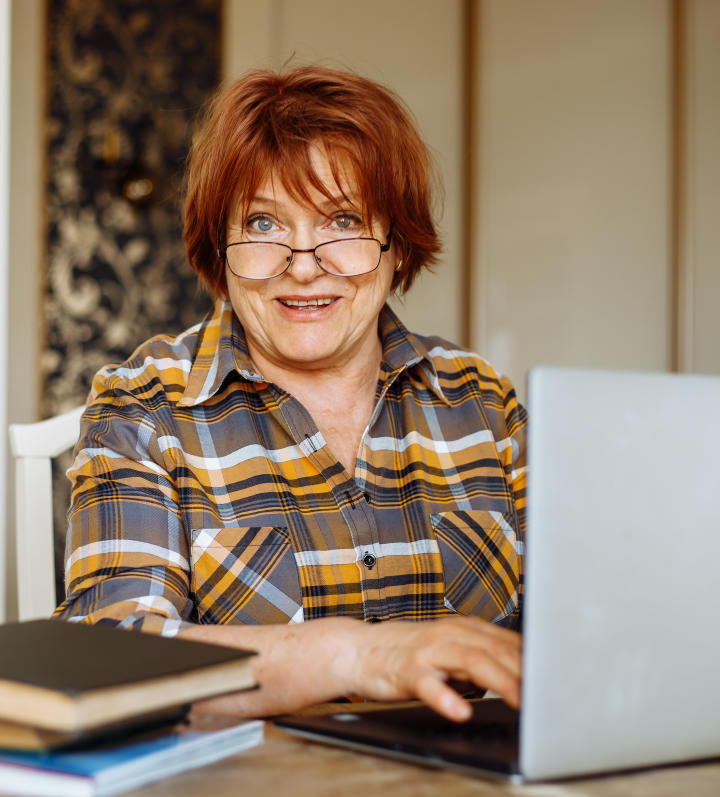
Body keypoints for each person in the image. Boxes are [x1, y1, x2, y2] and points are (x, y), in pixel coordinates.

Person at [54, 65, 526, 723]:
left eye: (341, 219)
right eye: (264, 224)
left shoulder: (485, 404)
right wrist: (356, 656)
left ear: (397, 243)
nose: (303, 264)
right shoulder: (142, 411)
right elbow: (111, 656)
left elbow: (588, 622)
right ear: (220, 247)